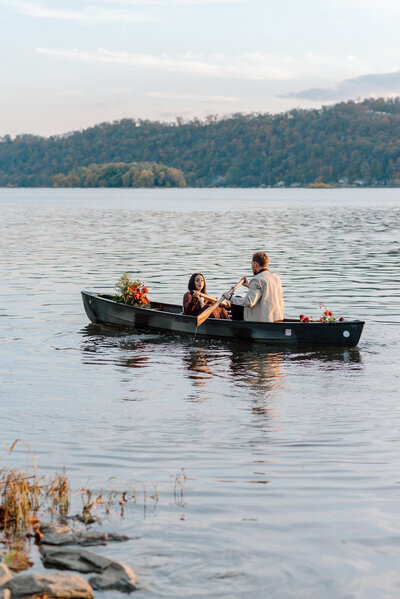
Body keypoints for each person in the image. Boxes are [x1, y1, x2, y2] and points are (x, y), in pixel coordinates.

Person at [223, 252, 284, 322]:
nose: (251, 266)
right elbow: (266, 292)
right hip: (277, 318)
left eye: (251, 263)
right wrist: (249, 285)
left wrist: (230, 298)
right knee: (238, 299)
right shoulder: (275, 277)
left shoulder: (257, 279)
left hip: (264, 321)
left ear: (256, 264)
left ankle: (239, 330)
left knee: (235, 302)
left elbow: (249, 302)